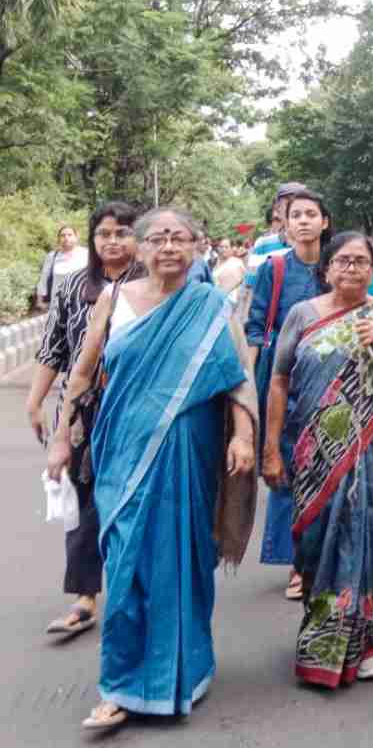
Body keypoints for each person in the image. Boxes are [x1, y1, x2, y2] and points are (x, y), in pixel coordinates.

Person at [48, 206, 256, 730]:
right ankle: (119, 685)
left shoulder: (211, 305)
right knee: (124, 565)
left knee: (183, 560)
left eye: (178, 238)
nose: (167, 247)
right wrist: (61, 437)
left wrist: (244, 435)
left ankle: (182, 672)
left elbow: (237, 376)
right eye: (157, 238)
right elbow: (82, 372)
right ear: (140, 248)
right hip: (121, 449)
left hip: (191, 452)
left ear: (196, 246)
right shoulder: (115, 300)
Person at [264, 232, 373, 687]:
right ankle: (323, 640)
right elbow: (279, 381)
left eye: (361, 262)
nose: (352, 268)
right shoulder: (302, 315)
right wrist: (270, 447)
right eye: (343, 261)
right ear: (327, 269)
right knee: (316, 545)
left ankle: (371, 643)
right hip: (315, 455)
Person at [28, 202, 145, 638]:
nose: (112, 241)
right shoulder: (75, 286)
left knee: (134, 500)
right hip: (81, 412)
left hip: (136, 411)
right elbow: (53, 348)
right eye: (104, 234)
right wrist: (34, 402)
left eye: (122, 232)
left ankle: (135, 594)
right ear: (92, 239)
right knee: (82, 501)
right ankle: (84, 598)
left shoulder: (152, 283)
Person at [246, 189, 331, 598]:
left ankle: (327, 556)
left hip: (331, 379)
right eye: (296, 215)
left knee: (328, 468)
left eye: (311, 214)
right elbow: (255, 325)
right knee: (282, 468)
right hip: (282, 380)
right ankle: (297, 563)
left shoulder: (339, 263)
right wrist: (247, 385)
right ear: (285, 224)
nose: (303, 221)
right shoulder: (275, 269)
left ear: (324, 222)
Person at [245, 182, 308, 290]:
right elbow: (250, 287)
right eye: (288, 203)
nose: (295, 208)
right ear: (278, 210)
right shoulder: (263, 244)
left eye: (302, 202)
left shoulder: (321, 243)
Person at [36, 225, 89, 310]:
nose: (66, 238)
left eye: (70, 235)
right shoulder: (52, 256)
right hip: (57, 304)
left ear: (76, 237)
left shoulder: (86, 254)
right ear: (58, 239)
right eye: (63, 235)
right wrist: (40, 301)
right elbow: (43, 279)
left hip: (81, 304)